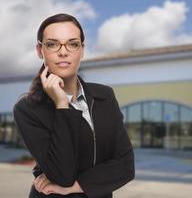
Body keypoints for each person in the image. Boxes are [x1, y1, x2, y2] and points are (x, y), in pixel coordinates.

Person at [13, 13, 135, 198]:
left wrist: (76, 186)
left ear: (82, 50)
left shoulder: (105, 96)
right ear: (40, 50)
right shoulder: (27, 109)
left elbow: (126, 166)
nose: (63, 51)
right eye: (53, 44)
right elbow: (62, 175)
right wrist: (62, 105)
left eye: (73, 44)